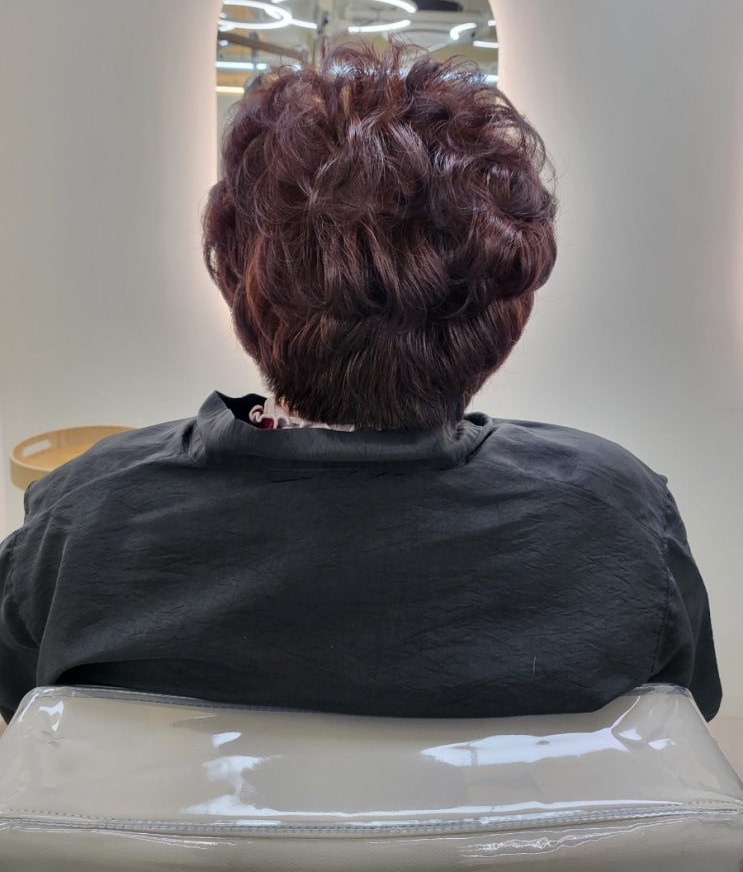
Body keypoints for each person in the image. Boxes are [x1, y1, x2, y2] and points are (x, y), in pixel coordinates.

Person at [0, 43, 721, 724]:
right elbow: (675, 727)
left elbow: (31, 729)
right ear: (506, 314)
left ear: (237, 281)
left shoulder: (81, 520)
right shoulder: (618, 515)